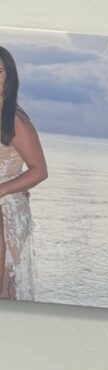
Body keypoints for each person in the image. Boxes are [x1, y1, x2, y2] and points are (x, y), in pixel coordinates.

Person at [0, 45, 47, 301]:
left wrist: (2, 189)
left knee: (3, 288)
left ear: (9, 78)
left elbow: (40, 170)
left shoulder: (14, 120)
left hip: (4, 210)